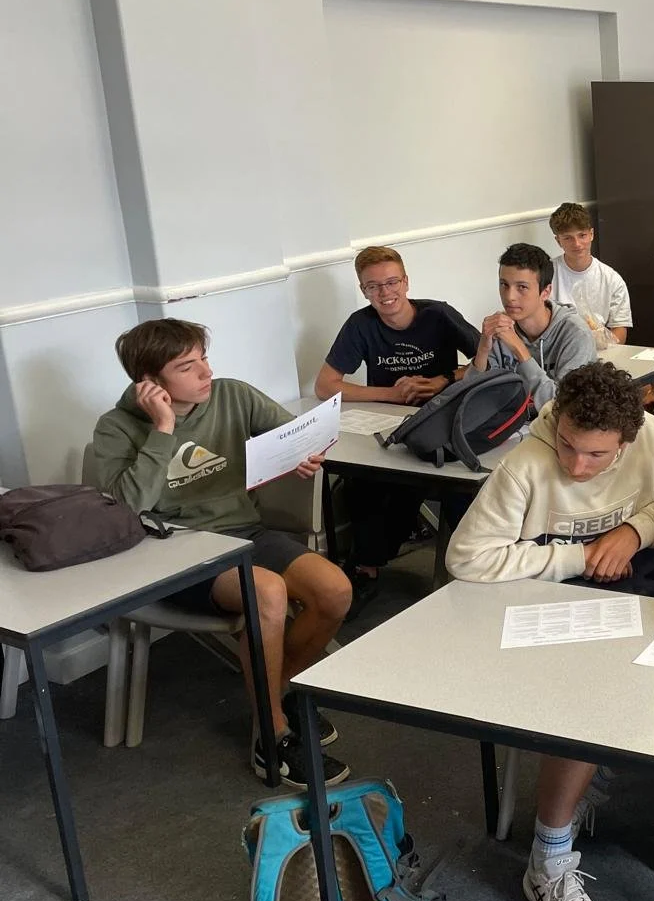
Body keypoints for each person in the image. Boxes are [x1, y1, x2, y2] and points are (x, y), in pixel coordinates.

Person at [445, 361, 654, 901]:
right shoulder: (525, 464)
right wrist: (578, 556)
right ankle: (548, 858)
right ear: (558, 421)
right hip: (550, 604)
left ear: (627, 440)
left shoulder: (652, 436)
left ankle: (593, 771)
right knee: (586, 700)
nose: (576, 465)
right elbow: (466, 558)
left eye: (597, 455)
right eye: (567, 444)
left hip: (637, 594)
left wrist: (637, 530)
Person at [92, 320, 353, 787]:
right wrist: (164, 429)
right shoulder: (116, 428)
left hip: (245, 532)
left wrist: (301, 453)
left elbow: (297, 435)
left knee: (335, 591)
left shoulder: (232, 395)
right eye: (187, 367)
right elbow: (126, 508)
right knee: (267, 593)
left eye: (204, 359)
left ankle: (275, 692)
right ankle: (271, 733)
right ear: (150, 382)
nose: (206, 373)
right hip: (174, 552)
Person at [314, 246, 479, 609]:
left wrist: (442, 380)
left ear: (405, 282)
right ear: (363, 290)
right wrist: (391, 393)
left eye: (391, 283)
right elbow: (325, 385)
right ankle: (367, 567)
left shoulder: (438, 315)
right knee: (363, 480)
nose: (385, 293)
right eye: (373, 286)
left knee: (455, 484)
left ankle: (473, 564)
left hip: (443, 421)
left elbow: (488, 360)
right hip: (389, 424)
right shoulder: (361, 324)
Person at [468, 242, 596, 410]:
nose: (510, 297)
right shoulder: (501, 327)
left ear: (545, 292)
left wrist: (520, 350)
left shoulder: (576, 334)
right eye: (504, 284)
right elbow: (471, 401)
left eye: (522, 287)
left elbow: (563, 407)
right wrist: (483, 350)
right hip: (510, 422)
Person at [548, 201, 633, 348]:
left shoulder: (612, 279)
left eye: (582, 235)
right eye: (568, 238)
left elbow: (620, 329)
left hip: (599, 351)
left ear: (591, 234)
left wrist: (602, 346)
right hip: (557, 350)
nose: (577, 244)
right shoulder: (546, 273)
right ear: (558, 241)